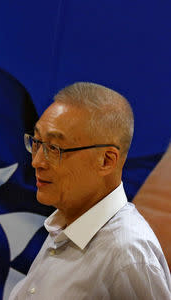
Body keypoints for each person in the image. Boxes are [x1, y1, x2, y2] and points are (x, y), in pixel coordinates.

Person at [9, 82, 171, 299]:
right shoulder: (65, 226)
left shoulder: (127, 255)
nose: (37, 161)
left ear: (106, 160)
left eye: (55, 149)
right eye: (37, 142)